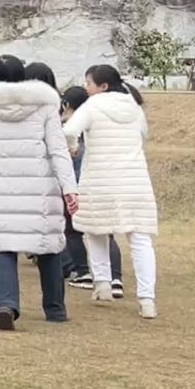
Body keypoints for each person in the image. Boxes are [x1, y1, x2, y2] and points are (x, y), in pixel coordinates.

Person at [0, 54, 78, 330]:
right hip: (41, 185)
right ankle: (55, 309)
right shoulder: (45, 105)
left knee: (3, 247)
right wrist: (69, 187)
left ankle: (6, 305)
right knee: (48, 245)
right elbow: (57, 150)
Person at [63, 64, 159, 318]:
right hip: (135, 180)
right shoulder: (135, 108)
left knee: (96, 230)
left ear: (103, 86)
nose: (86, 88)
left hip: (100, 179)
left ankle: (103, 283)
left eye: (89, 83)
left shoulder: (93, 106)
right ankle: (147, 299)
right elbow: (143, 135)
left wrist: (74, 147)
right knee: (140, 239)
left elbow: (69, 130)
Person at [61, 84, 122, 294]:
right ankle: (115, 278)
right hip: (104, 183)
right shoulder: (100, 120)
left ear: (67, 105)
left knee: (72, 230)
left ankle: (84, 272)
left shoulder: (71, 127)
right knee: (107, 233)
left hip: (78, 186)